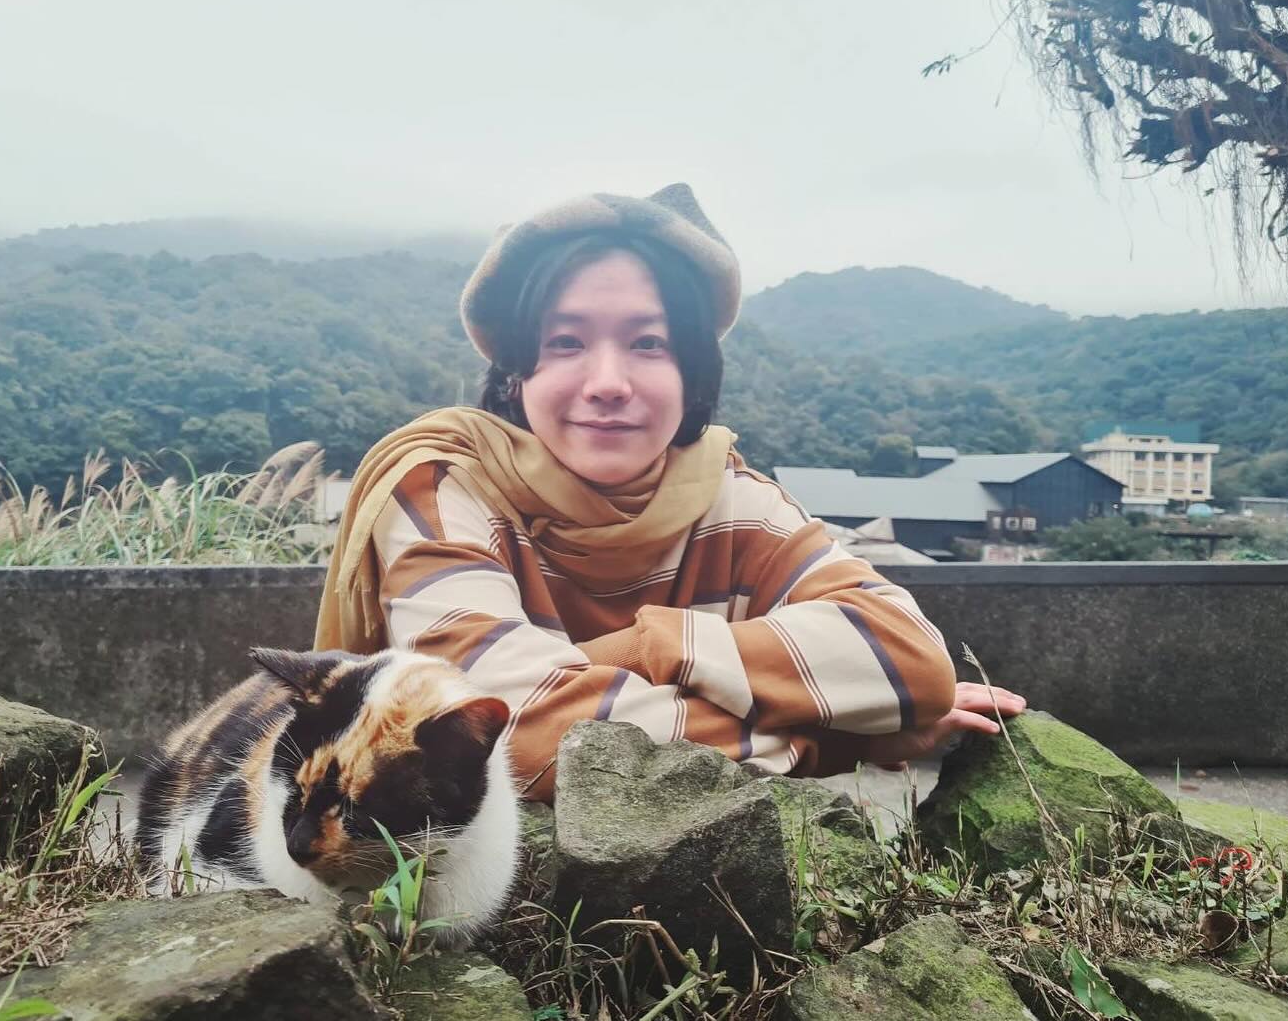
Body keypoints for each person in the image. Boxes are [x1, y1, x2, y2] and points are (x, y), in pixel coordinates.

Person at [314, 183, 1024, 802]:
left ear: (693, 371)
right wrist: (830, 740)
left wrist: (643, 646)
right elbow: (499, 735)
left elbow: (910, 660)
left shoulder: (730, 498)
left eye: (648, 344)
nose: (608, 382)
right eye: (565, 343)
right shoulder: (445, 487)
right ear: (515, 373)